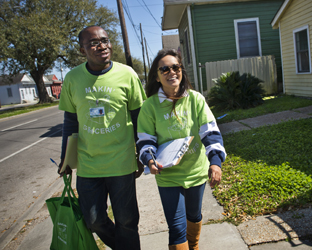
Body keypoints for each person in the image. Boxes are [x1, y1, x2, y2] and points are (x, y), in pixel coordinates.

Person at [58, 25, 146, 250]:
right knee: (93, 220)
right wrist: (65, 158)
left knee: (127, 221)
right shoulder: (72, 78)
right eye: (94, 43)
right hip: (89, 164)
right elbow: (70, 122)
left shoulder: (127, 74)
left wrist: (142, 152)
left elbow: (139, 119)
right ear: (82, 50)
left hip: (122, 161)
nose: (102, 46)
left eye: (105, 40)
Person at [137, 49, 226, 250]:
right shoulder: (149, 107)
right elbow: (145, 140)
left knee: (194, 217)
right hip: (168, 175)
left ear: (182, 71)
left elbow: (210, 133)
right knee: (176, 228)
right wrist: (149, 160)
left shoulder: (195, 99)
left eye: (176, 67)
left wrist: (215, 163)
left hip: (195, 171)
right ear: (157, 77)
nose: (172, 72)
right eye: (165, 69)